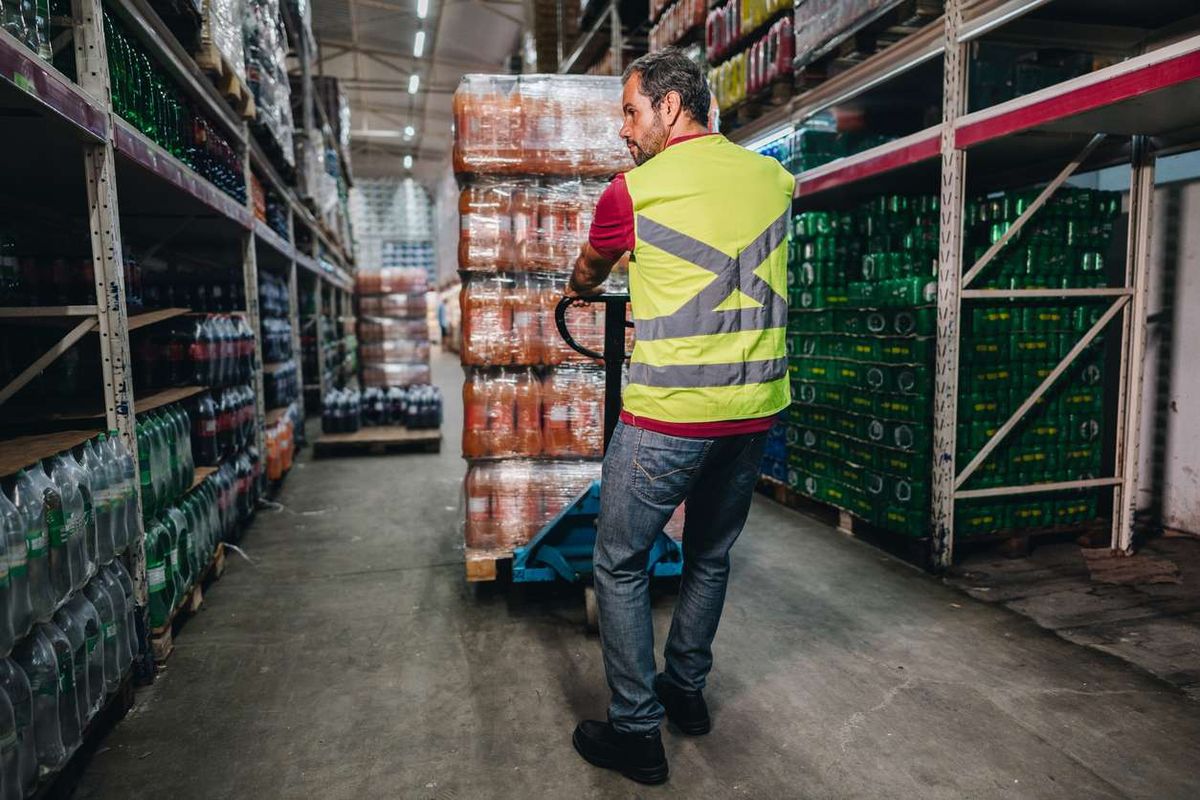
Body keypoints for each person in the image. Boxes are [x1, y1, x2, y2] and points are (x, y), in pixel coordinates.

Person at [565, 48, 793, 785]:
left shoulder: (632, 192)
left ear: (669, 107)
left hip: (669, 418)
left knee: (620, 561)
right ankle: (685, 690)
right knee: (710, 554)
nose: (624, 133)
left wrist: (593, 275)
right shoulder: (775, 179)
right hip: (755, 411)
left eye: (630, 113)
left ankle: (637, 732)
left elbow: (587, 272)